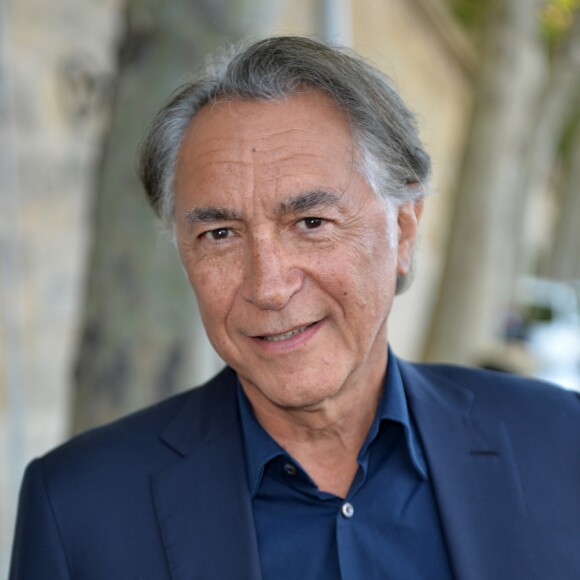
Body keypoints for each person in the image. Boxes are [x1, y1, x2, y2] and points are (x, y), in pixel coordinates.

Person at [9, 36, 580, 580]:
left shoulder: (560, 444)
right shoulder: (78, 512)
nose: (269, 286)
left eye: (311, 224)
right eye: (220, 234)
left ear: (404, 231)